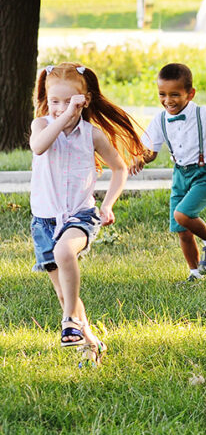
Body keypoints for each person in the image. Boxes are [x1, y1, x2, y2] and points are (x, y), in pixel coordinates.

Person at [29, 62, 147, 366]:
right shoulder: (41, 125)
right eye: (54, 101)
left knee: (64, 252)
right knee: (63, 292)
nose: (60, 108)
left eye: (68, 101)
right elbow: (40, 147)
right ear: (46, 99)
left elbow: (119, 168)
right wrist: (64, 115)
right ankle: (90, 341)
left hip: (80, 215)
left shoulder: (91, 135)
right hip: (44, 220)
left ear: (84, 101)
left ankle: (69, 319)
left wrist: (107, 204)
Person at [138, 63, 206, 282]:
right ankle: (195, 273)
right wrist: (138, 159)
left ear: (190, 93)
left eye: (175, 95)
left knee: (183, 214)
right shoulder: (160, 119)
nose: (168, 100)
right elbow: (150, 152)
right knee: (182, 230)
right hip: (180, 175)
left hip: (204, 173)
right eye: (162, 94)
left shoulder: (202, 113)